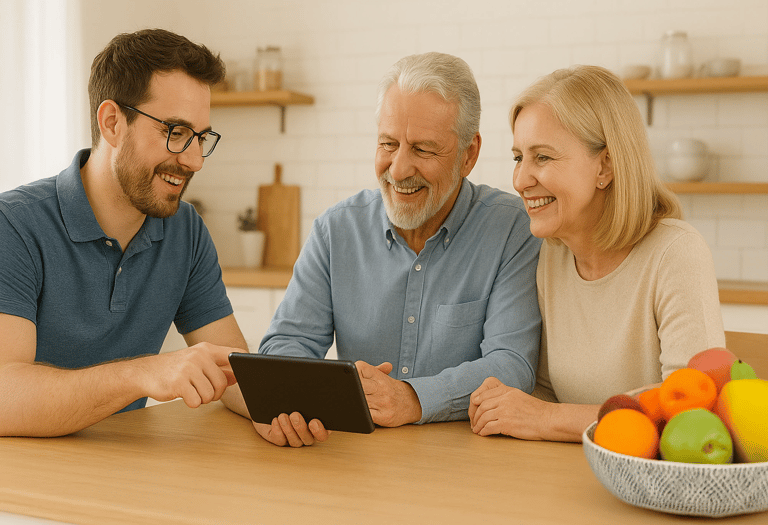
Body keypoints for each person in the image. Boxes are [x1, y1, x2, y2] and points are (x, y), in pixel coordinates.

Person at [235, 52, 542, 447]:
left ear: (469, 154)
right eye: (388, 143)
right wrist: (291, 399)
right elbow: (285, 344)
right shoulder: (335, 230)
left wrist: (413, 399)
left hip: (464, 464)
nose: (398, 169)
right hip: (353, 461)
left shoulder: (513, 229)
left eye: (423, 149)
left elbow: (512, 365)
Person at [0, 29, 248, 437]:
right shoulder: (15, 226)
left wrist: (289, 408)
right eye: (176, 132)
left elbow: (234, 370)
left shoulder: (185, 231)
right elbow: (5, 398)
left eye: (201, 137)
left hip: (120, 466)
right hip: (23, 482)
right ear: (112, 122)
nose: (194, 160)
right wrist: (144, 373)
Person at [468, 65, 725, 443]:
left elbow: (689, 412)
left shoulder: (675, 253)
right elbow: (542, 392)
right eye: (518, 157)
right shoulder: (550, 256)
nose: (521, 180)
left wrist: (547, 419)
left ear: (605, 165)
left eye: (543, 157)